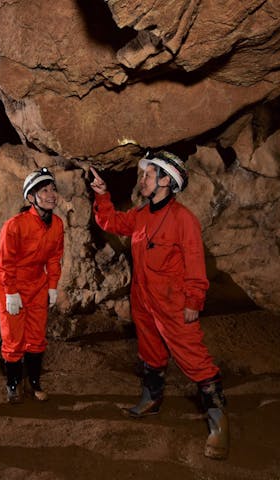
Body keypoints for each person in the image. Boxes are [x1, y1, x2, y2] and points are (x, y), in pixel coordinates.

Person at [89, 151, 229, 460]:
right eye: (143, 175)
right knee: (150, 350)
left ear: (166, 180)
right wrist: (102, 195)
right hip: (143, 299)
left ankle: (218, 423)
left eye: (149, 175)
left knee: (194, 358)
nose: (143, 180)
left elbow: (195, 264)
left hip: (173, 303)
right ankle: (151, 399)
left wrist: (194, 301)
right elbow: (111, 220)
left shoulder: (184, 220)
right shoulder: (140, 214)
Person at [0, 167, 64, 403]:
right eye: (44, 190)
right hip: (12, 284)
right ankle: (13, 384)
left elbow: (54, 257)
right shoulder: (15, 225)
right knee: (13, 338)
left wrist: (52, 286)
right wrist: (11, 293)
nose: (52, 194)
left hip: (37, 284)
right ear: (31, 197)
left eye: (53, 189)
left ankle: (34, 383)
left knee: (36, 337)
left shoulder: (57, 224)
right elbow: (5, 263)